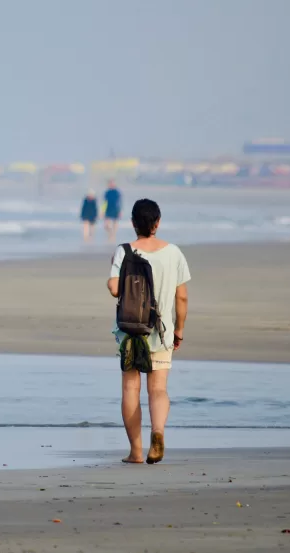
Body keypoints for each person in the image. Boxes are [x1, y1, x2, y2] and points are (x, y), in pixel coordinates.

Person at [107, 199, 190, 465]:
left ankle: (136, 452)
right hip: (161, 331)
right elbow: (182, 298)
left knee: (131, 388)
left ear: (133, 223)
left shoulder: (124, 251)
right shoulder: (174, 252)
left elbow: (114, 288)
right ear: (157, 222)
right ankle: (158, 432)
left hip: (131, 331)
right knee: (158, 389)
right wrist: (179, 330)